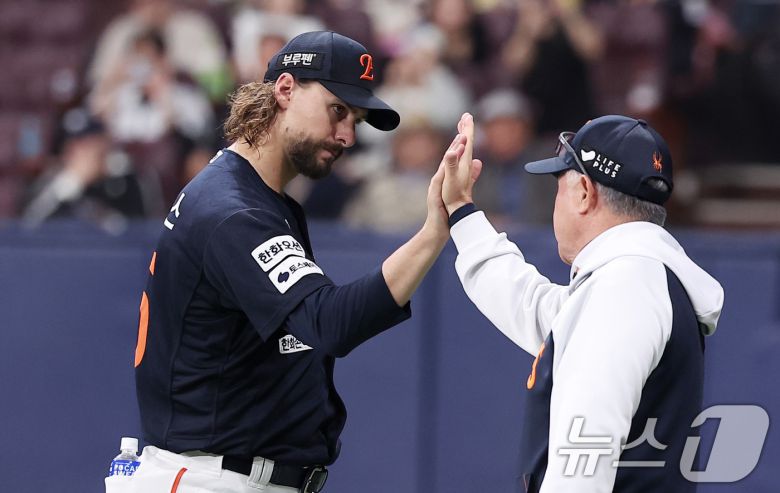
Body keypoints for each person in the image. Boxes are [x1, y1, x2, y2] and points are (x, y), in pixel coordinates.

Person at [126, 31, 473, 493]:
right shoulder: (234, 212)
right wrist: (435, 230)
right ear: (286, 89)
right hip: (211, 479)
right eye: (338, 110)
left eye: (356, 120)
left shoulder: (252, 196)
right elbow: (329, 324)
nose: (348, 135)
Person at [441, 115, 724, 492]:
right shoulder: (634, 278)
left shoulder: (626, 287)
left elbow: (584, 461)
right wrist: (462, 211)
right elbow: (535, 308)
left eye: (560, 185)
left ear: (585, 192)